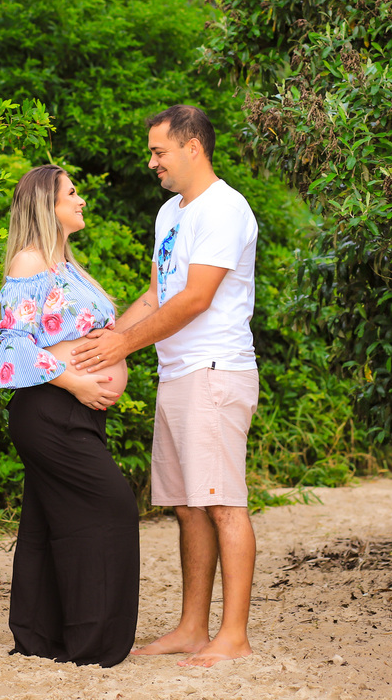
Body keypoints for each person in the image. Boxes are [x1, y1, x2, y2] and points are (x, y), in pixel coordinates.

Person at [69, 105, 259, 668]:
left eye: (159, 151)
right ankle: (192, 627)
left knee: (223, 504)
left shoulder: (225, 209)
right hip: (177, 373)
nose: (151, 162)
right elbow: (157, 296)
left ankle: (235, 635)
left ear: (193, 146)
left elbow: (196, 298)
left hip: (215, 371)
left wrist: (122, 348)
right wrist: (104, 340)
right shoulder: (170, 213)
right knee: (187, 507)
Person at [0, 164, 140, 668]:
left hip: (76, 414)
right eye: (71, 193)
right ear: (46, 206)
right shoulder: (30, 261)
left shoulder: (68, 265)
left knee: (46, 520)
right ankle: (92, 641)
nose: (81, 200)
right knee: (112, 505)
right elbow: (14, 344)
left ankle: (41, 635)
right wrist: (75, 380)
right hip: (49, 409)